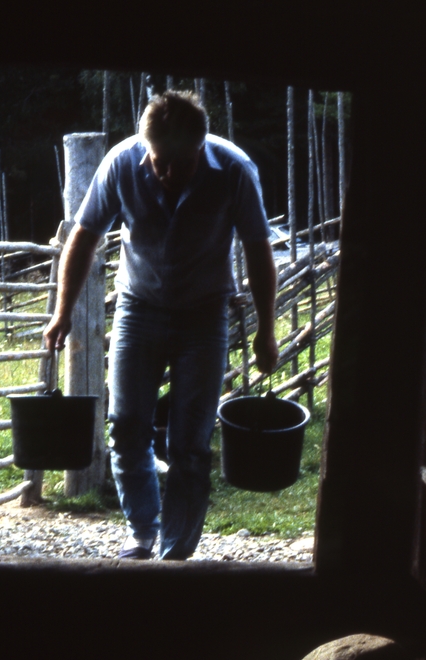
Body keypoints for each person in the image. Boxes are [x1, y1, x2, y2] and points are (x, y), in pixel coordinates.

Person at [44, 90, 278, 560]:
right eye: (159, 161)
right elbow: (85, 237)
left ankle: (176, 551)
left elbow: (257, 250)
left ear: (200, 146)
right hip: (139, 306)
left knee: (190, 441)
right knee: (126, 424)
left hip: (204, 312)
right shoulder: (120, 164)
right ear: (145, 144)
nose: (168, 173)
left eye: (181, 163)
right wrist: (62, 311)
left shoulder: (234, 171)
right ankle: (142, 533)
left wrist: (267, 329)